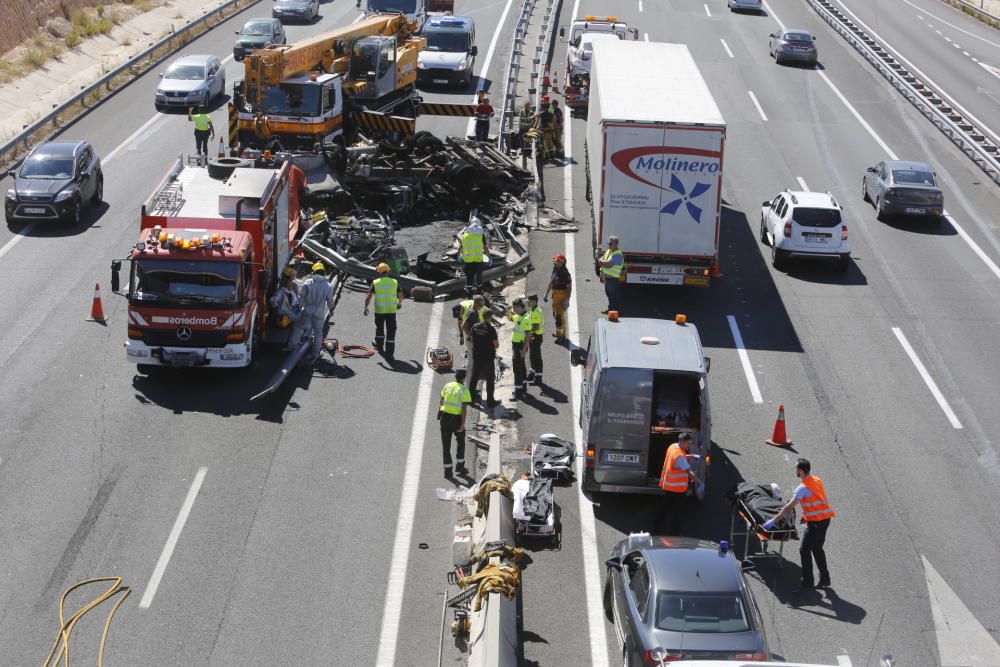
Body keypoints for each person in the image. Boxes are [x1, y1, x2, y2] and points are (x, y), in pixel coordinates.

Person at [763, 458, 835, 592]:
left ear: (801, 471)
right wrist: (806, 516)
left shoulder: (802, 488)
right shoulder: (816, 480)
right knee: (817, 548)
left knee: (804, 550)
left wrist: (773, 520)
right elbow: (817, 499)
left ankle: (808, 583)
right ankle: (825, 578)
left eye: (796, 468)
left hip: (816, 524)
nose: (795, 470)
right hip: (825, 520)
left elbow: (788, 507)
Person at [656, 432, 704, 534]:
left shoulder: (673, 447)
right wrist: (700, 483)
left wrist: (690, 456)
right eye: (688, 444)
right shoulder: (680, 456)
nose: (689, 446)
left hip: (668, 485)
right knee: (678, 512)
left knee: (665, 507)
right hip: (677, 489)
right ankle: (675, 533)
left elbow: (678, 457)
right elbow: (688, 471)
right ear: (682, 442)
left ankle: (656, 528)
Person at [364, 262, 403, 361]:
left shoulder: (375, 282)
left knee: (379, 328)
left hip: (379, 311)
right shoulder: (394, 282)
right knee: (391, 331)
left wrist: (366, 307)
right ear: (388, 271)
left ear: (379, 272)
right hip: (391, 311)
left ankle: (379, 346)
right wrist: (399, 303)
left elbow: (369, 296)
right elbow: (401, 294)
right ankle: (389, 355)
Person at [299, 262, 336, 363]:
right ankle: (315, 353)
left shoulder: (308, 283)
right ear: (323, 272)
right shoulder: (327, 285)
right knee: (318, 333)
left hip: (306, 310)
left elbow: (301, 297)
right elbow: (330, 300)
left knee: (299, 328)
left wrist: (299, 307)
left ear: (313, 272)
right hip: (319, 313)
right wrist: (332, 309)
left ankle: (295, 347)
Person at [439, 368, 472, 477]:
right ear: (464, 378)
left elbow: (442, 400)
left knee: (446, 446)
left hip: (444, 418)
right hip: (456, 419)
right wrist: (462, 424)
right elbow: (463, 409)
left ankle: (447, 472)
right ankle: (460, 466)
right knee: (461, 442)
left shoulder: (447, 385)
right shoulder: (464, 390)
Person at [270, 267, 305, 351]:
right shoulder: (281, 291)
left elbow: (297, 298)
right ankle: (293, 344)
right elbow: (272, 300)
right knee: (301, 323)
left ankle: (297, 340)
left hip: (292, 310)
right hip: (285, 313)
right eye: (292, 277)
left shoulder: (294, 287)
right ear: (288, 278)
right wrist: (277, 311)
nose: (292, 281)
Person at [461, 294, 490, 386]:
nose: (482, 307)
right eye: (481, 305)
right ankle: (468, 385)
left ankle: (472, 384)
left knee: (476, 362)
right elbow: (463, 326)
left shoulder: (476, 311)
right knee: (471, 363)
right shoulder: (472, 312)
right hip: (471, 341)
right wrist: (470, 337)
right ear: (476, 303)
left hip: (474, 341)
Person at [470, 318, 499, 408]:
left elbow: (471, 339)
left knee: (474, 377)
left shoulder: (475, 326)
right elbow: (496, 345)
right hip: (488, 358)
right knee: (490, 379)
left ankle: (470, 398)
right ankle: (490, 402)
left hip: (477, 357)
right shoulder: (491, 329)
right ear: (489, 318)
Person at [507, 298, 533, 400]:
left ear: (519, 307)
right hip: (517, 346)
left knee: (517, 369)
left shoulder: (525, 319)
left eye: (514, 308)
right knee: (521, 367)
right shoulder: (519, 316)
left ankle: (518, 392)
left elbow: (528, 335)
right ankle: (523, 387)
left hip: (520, 346)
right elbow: (511, 318)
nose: (514, 309)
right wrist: (508, 311)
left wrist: (523, 349)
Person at [544, 254, 572, 339]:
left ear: (562, 263)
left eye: (558, 262)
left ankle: (560, 336)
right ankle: (560, 332)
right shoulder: (555, 270)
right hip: (555, 295)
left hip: (562, 296)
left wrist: (567, 300)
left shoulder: (566, 275)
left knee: (559, 317)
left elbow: (569, 288)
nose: (556, 264)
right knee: (555, 315)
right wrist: (546, 293)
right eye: (556, 262)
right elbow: (551, 282)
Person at [460, 217, 489, 293]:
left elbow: (461, 247)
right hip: (478, 260)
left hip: (468, 260)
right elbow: (485, 247)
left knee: (469, 276)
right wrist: (489, 257)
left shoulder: (464, 236)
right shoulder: (481, 236)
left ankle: (469, 291)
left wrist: (459, 255)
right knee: (479, 276)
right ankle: (479, 290)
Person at [596, 235, 624, 313]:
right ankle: (610, 309)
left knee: (613, 296)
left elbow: (608, 265)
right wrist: (602, 261)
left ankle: (614, 311)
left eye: (610, 244)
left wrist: (602, 262)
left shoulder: (617, 255)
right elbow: (601, 259)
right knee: (609, 295)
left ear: (616, 244)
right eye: (609, 243)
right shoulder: (609, 251)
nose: (609, 245)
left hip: (613, 279)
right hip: (608, 278)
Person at [525, 294, 544, 386]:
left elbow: (536, 327)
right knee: (532, 357)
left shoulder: (536, 312)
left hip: (536, 337)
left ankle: (538, 379)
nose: (527, 302)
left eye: (529, 301)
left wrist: (526, 330)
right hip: (533, 336)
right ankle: (532, 374)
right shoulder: (532, 310)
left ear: (534, 301)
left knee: (536, 358)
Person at [535, 96, 555, 160]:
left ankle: (550, 154)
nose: (543, 101)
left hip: (548, 126)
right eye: (543, 100)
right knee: (544, 141)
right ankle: (548, 154)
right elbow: (540, 116)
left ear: (547, 100)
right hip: (543, 125)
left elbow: (551, 117)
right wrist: (537, 124)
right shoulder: (543, 106)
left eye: (545, 100)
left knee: (548, 141)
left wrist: (551, 126)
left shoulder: (550, 107)